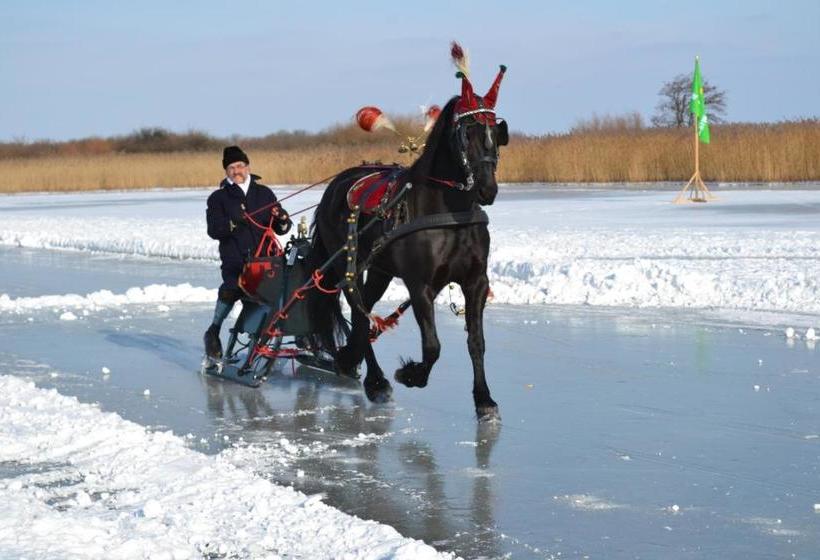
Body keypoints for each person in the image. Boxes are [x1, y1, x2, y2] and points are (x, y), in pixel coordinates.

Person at [204, 145, 292, 359]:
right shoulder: (218, 198)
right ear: (226, 171)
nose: (237, 171)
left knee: (290, 291)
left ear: (248, 167)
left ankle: (303, 336)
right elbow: (214, 230)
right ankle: (213, 331)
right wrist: (233, 223)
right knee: (232, 288)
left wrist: (282, 218)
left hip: (267, 260)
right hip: (236, 261)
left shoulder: (264, 193)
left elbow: (282, 228)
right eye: (232, 167)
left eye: (240, 166)